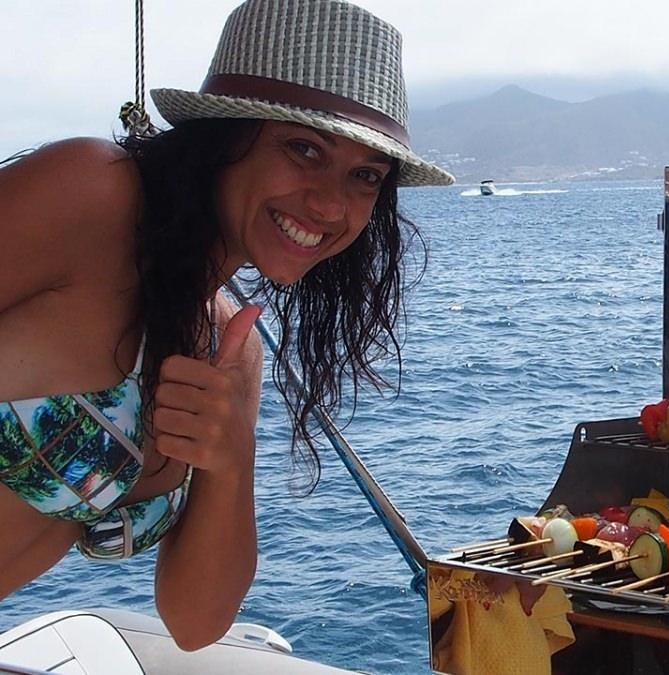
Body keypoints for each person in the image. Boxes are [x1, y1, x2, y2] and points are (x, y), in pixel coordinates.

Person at [0, 0, 452, 650]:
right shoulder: (92, 194)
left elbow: (196, 621)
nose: (329, 204)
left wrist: (231, 457)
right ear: (223, 136)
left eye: (364, 176)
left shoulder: (228, 346)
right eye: (304, 149)